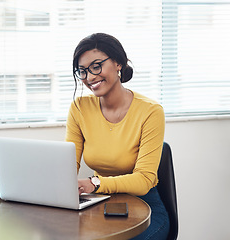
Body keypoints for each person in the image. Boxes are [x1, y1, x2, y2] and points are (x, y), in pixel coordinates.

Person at [65, 33, 170, 240]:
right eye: (83, 71)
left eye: (96, 66)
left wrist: (95, 183)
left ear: (118, 63)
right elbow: (68, 165)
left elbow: (144, 180)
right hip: (98, 204)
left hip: (145, 209)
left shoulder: (150, 111)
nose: (90, 77)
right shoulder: (79, 108)